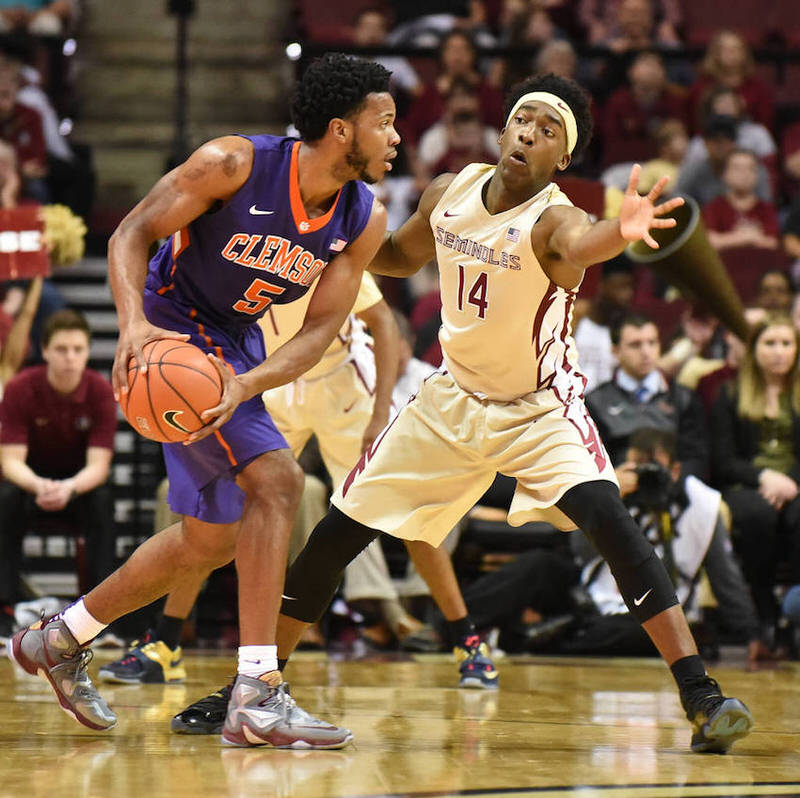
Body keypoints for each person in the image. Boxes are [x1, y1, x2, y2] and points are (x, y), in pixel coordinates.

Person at [231, 73, 750, 753]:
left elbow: (585, 244)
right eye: (522, 119)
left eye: (549, 129)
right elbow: (394, 256)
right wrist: (331, 234)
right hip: (449, 402)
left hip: (538, 410)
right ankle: (256, 689)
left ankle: (701, 696)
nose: (530, 132)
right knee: (337, 534)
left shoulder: (555, 220)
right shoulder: (450, 191)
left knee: (613, 526)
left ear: (561, 158)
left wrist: (620, 234)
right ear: (504, 132)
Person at [8, 52, 400, 749]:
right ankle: (257, 692)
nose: (397, 137)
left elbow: (317, 333)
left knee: (209, 540)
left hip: (234, 345)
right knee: (279, 482)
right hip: (170, 331)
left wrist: (248, 384)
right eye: (386, 123)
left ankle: (59, 639)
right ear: (341, 131)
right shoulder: (234, 164)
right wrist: (132, 326)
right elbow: (132, 232)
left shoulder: (361, 218)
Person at [0, 309, 117, 634]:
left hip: (78, 487)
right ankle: (4, 610)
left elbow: (99, 466)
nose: (70, 357)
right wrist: (39, 485)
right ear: (45, 350)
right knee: (4, 497)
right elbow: (9, 461)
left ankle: (99, 615)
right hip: (30, 483)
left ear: (88, 352)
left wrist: (69, 488)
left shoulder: (99, 390)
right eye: (62, 349)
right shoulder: (21, 387)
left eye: (78, 350)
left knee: (103, 501)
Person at [710, 314, 800, 636]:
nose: (779, 352)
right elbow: (723, 460)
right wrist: (763, 477)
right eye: (770, 343)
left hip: (795, 484)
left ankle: (795, 610)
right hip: (746, 483)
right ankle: (764, 612)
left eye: (786, 344)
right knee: (757, 515)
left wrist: (790, 482)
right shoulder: (730, 394)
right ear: (754, 349)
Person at [585, 314, 709, 480]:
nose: (646, 352)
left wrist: (673, 483)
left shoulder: (684, 399)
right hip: (618, 492)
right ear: (615, 351)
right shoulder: (595, 402)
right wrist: (612, 481)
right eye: (635, 345)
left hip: (675, 494)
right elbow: (589, 462)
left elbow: (696, 459)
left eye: (652, 343)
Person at [702, 149, 780, 253]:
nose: (744, 174)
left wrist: (727, 240)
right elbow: (709, 241)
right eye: (737, 168)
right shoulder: (714, 208)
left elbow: (773, 243)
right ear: (724, 174)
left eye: (750, 168)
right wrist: (747, 237)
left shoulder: (766, 209)